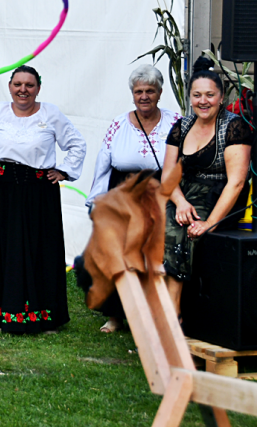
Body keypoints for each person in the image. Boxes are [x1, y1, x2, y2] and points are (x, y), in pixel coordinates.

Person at [0, 65, 86, 334]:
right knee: (3, 251)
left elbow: (76, 144)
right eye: (18, 84)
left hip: (40, 192)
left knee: (42, 250)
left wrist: (63, 171)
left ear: (38, 87)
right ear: (10, 86)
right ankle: (1, 315)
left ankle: (46, 317)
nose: (23, 90)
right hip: (2, 192)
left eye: (29, 85)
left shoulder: (51, 114)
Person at [85, 65, 180, 333]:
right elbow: (103, 163)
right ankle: (115, 315)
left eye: (150, 90)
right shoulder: (118, 124)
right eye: (139, 91)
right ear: (132, 94)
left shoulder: (176, 122)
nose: (144, 96)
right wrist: (96, 201)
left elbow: (184, 162)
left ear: (160, 93)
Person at [161, 57, 251, 316]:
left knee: (179, 231)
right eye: (197, 95)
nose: (203, 101)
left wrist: (209, 222)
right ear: (189, 97)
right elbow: (168, 174)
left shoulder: (233, 126)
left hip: (215, 195)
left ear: (221, 97)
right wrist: (179, 201)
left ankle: (173, 317)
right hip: (180, 192)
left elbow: (236, 182)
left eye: (210, 95)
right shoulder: (182, 127)